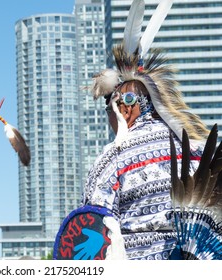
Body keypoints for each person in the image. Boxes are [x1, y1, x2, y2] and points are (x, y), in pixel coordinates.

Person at [79, 0, 211, 260]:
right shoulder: (198, 153)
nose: (110, 120)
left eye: (110, 111)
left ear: (125, 108)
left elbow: (91, 224)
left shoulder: (113, 158)